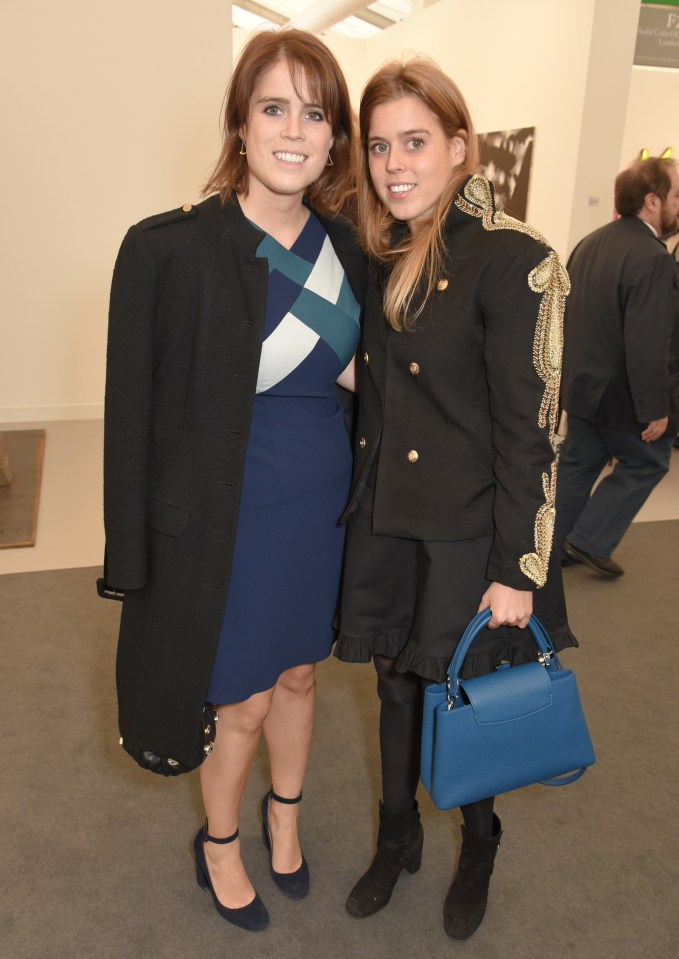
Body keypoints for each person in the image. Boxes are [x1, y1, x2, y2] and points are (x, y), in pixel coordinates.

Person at [101, 29, 365, 932]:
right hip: (227, 520)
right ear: (241, 124)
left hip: (321, 512)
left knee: (299, 676)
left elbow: (372, 381)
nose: (295, 129)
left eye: (316, 111)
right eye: (274, 107)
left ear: (335, 136)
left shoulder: (353, 251)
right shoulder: (169, 252)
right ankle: (219, 842)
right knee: (241, 699)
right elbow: (130, 419)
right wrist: (129, 554)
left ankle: (281, 817)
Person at [334, 58, 576, 941]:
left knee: (463, 695)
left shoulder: (516, 259)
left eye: (415, 141)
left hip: (468, 535)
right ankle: (396, 834)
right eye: (378, 145)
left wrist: (518, 569)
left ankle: (478, 838)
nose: (394, 163)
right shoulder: (378, 247)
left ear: (459, 146)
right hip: (386, 517)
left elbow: (533, 430)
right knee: (393, 686)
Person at [554, 157, 679, 576]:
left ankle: (553, 545)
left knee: (576, 467)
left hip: (583, 390)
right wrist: (655, 409)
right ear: (652, 202)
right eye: (676, 195)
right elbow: (647, 342)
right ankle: (588, 539)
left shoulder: (590, 243)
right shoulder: (654, 258)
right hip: (624, 398)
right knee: (648, 461)